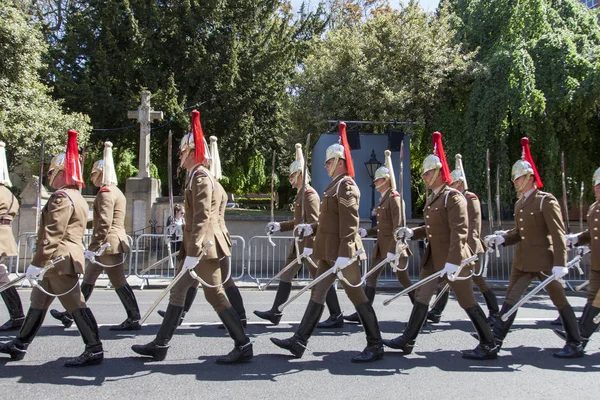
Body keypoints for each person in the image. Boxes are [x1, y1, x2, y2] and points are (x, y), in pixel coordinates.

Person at [132, 110, 252, 364]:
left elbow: (202, 217)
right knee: (180, 292)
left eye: (182, 152)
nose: (179, 156)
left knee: (215, 295)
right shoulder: (203, 177)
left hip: (204, 249)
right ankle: (160, 344)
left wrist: (194, 250)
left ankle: (243, 344)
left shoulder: (199, 178)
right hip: (204, 247)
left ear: (191, 152)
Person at [271, 122, 383, 363]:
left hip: (343, 253)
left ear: (340, 162)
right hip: (328, 252)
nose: (325, 165)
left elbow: (350, 223)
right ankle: (299, 341)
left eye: (329, 161)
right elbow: (328, 221)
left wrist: (345, 252)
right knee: (318, 292)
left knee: (357, 297)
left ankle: (375, 344)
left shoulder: (347, 185)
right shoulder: (334, 186)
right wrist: (309, 227)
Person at [383, 132, 497, 360]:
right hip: (434, 260)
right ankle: (408, 340)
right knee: (422, 298)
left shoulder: (453, 198)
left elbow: (460, 231)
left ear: (437, 172)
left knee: (467, 302)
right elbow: (430, 229)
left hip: (454, 260)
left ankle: (489, 343)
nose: (424, 176)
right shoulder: (434, 199)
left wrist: (454, 262)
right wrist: (411, 232)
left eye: (427, 172)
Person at [0, 130, 104, 367]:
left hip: (58, 261)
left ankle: (94, 348)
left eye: (51, 172)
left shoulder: (60, 198)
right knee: (38, 301)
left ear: (60, 173)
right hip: (58, 261)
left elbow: (52, 234)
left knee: (76, 304)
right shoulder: (75, 196)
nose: (49, 176)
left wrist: (37, 264)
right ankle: (20, 343)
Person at [485, 137, 583, 358]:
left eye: (518, 177)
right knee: (511, 298)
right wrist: (503, 238)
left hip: (544, 262)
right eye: (514, 178)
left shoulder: (544, 201)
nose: (514, 181)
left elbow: (557, 233)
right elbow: (520, 233)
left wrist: (561, 263)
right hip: (523, 261)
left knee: (559, 300)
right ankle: (494, 342)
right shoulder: (520, 203)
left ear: (530, 178)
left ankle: (575, 343)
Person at [49, 141, 140, 331]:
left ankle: (133, 317)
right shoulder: (116, 191)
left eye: (93, 173)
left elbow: (104, 223)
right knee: (89, 278)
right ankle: (70, 314)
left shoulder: (105, 193)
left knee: (118, 281)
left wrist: (93, 246)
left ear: (101, 173)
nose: (91, 177)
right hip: (110, 243)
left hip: (107, 244)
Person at [254, 143, 342, 327]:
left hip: (309, 246)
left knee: (320, 279)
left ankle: (336, 315)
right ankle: (275, 312)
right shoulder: (300, 195)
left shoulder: (309, 195)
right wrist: (279, 226)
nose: (290, 178)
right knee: (286, 276)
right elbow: (297, 223)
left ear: (300, 175)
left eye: (293, 174)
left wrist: (309, 247)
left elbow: (314, 223)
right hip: (298, 245)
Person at [427, 154, 500, 325]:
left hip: (469, 247)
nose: (451, 186)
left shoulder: (470, 198)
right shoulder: (452, 198)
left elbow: (473, 226)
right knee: (445, 279)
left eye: (454, 183)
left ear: (460, 183)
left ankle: (494, 311)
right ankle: (437, 311)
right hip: (458, 247)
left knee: (478, 280)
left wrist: (468, 248)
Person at [344, 150, 412, 323]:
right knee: (371, 278)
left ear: (387, 180)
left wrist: (393, 249)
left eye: (378, 179)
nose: (375, 182)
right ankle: (363, 312)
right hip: (382, 248)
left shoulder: (395, 199)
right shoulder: (384, 199)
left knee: (404, 280)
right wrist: (368, 231)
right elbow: (383, 228)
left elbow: (398, 227)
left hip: (394, 248)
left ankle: (421, 310)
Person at [557, 166, 600, 349]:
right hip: (597, 262)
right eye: (596, 185)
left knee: (597, 301)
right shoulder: (594, 207)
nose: (597, 188)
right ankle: (578, 337)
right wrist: (576, 240)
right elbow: (592, 233)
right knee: (593, 298)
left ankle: (578, 338)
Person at [0, 141, 24, 332]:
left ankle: (17, 315)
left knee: (2, 278)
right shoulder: (10, 194)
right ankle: (17, 315)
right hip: (5, 235)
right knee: (2, 277)